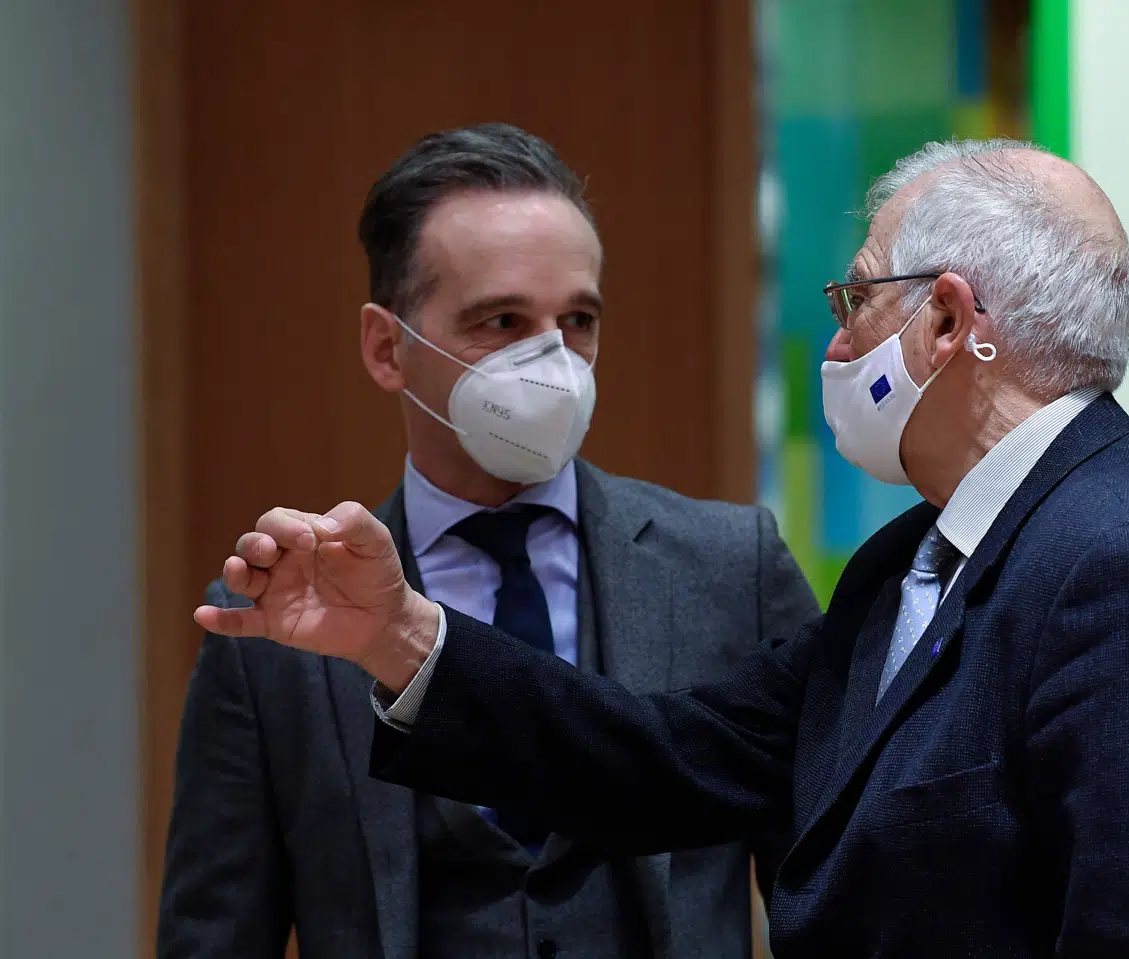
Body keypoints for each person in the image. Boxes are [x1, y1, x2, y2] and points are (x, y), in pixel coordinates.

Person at [199, 139, 1129, 958]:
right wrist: (402, 635)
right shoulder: (909, 561)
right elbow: (671, 758)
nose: (839, 339)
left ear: (949, 322)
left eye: (856, 299)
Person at [159, 123, 820, 959]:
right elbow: (213, 936)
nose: (553, 362)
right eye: (502, 321)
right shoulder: (272, 626)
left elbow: (828, 893)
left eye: (578, 320)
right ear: (387, 348)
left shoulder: (731, 567)